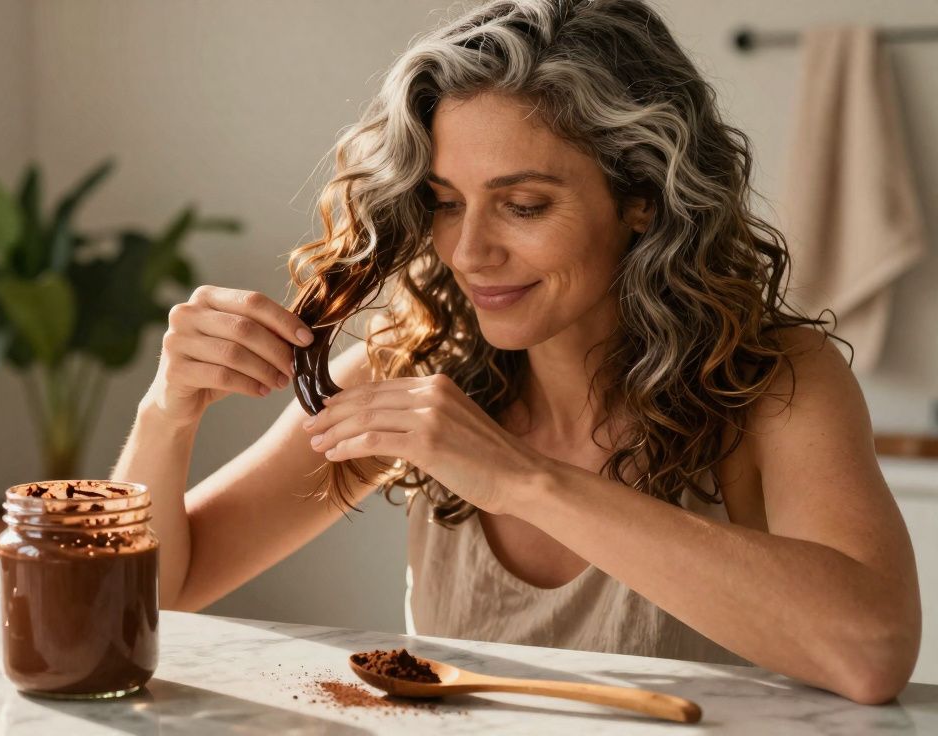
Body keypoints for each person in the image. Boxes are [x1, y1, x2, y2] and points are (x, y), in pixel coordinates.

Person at [112, 0, 920, 704]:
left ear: (641, 198)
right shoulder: (415, 368)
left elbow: (871, 651)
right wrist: (166, 414)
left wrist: (522, 479)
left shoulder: (772, 382)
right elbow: (146, 602)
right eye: (446, 204)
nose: (468, 253)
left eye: (523, 205)